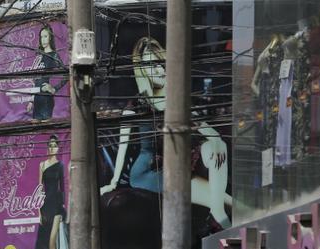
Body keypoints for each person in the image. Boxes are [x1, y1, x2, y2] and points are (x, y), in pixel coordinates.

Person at [99, 36, 232, 230]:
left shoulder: (176, 100)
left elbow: (204, 127)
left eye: (160, 63)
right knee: (222, 200)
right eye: (151, 65)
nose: (159, 70)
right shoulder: (137, 105)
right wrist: (113, 181)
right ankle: (220, 213)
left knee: (216, 145)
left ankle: (219, 213)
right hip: (147, 172)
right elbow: (123, 145)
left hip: (177, 165)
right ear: (143, 70)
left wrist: (216, 141)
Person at [31, 135, 66, 249]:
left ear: (58, 148)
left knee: (52, 240)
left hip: (57, 205)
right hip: (45, 205)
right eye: (50, 145)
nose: (53, 148)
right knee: (44, 240)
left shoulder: (61, 165)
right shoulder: (42, 165)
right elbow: (40, 187)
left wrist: (63, 207)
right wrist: (38, 211)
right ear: (48, 148)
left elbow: (62, 187)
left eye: (55, 145)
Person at [30, 25, 66, 121]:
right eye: (41, 37)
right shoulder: (38, 55)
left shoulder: (54, 55)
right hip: (37, 100)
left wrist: (54, 88)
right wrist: (31, 101)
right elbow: (36, 80)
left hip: (46, 100)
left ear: (50, 38)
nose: (43, 40)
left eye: (45, 36)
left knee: (46, 128)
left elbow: (66, 75)